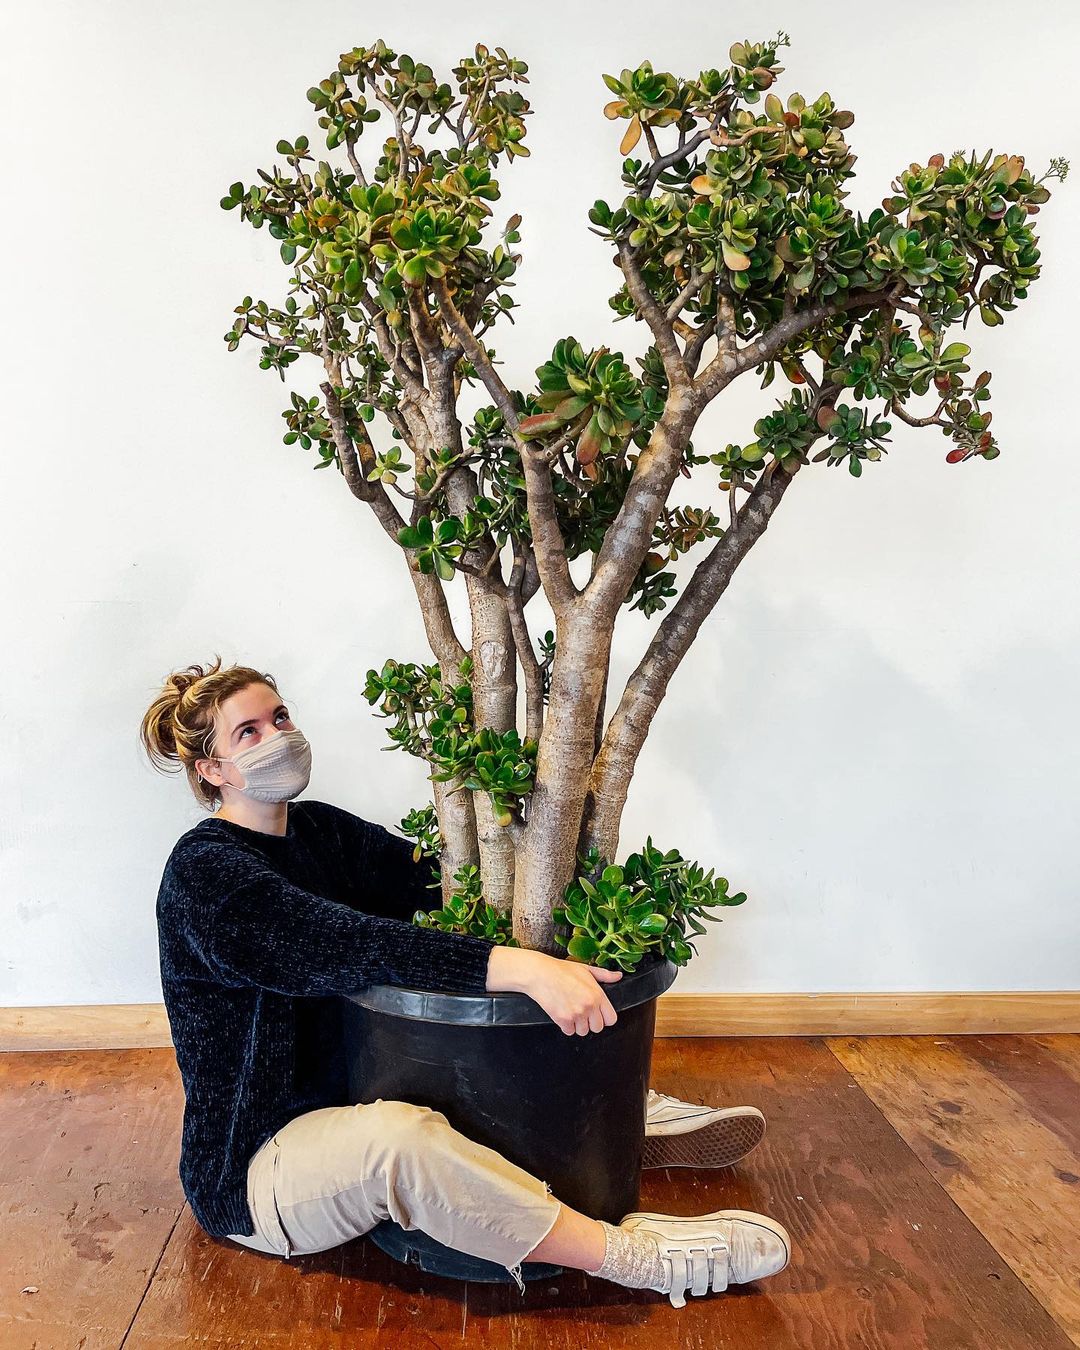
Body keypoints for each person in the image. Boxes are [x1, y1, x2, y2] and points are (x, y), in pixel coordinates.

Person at [140, 657, 792, 1309]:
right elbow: (345, 944)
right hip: (259, 1171)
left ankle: (604, 1121)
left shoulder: (319, 832)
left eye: (280, 717)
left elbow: (440, 883)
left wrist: (542, 871)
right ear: (212, 770)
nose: (277, 736)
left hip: (348, 1098)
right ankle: (629, 1257)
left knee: (446, 1076)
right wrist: (523, 969)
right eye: (248, 732)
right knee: (400, 1145)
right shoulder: (206, 875)